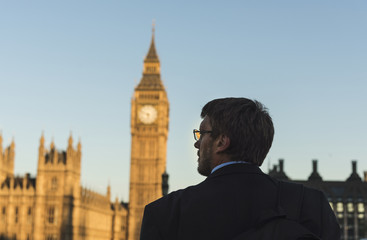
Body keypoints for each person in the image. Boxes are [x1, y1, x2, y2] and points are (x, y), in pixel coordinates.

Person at [140, 97, 340, 240]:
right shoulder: (311, 204)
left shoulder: (165, 212)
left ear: (221, 142)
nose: (197, 144)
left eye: (202, 134)